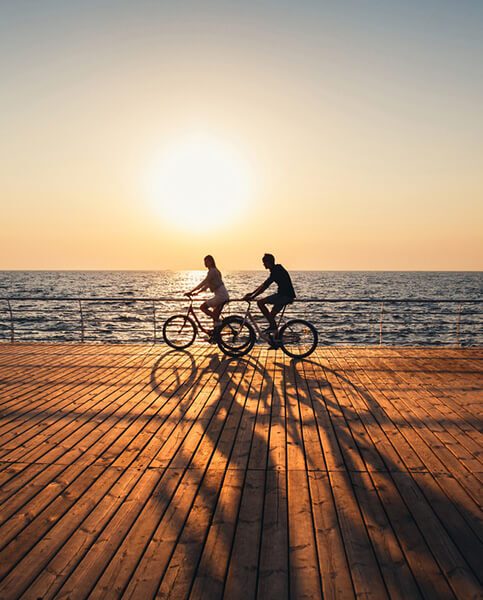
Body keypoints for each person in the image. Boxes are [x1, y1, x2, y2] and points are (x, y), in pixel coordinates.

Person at [244, 253, 296, 333]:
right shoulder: (277, 269)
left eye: (264, 262)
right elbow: (264, 284)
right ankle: (275, 339)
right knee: (271, 316)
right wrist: (252, 293)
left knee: (260, 303)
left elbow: (265, 287)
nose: (263, 264)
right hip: (286, 296)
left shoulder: (276, 271)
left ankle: (273, 327)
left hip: (283, 296)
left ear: (268, 262)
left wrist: (253, 296)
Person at [185, 255, 230, 330]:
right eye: (204, 261)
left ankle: (219, 321)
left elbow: (204, 282)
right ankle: (216, 334)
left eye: (207, 261)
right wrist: (197, 293)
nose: (205, 263)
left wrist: (191, 291)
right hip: (222, 295)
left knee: (203, 307)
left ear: (211, 262)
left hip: (221, 296)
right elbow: (207, 285)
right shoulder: (214, 271)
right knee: (214, 315)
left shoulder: (212, 271)